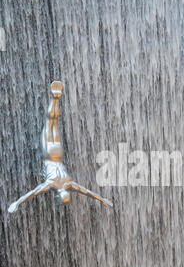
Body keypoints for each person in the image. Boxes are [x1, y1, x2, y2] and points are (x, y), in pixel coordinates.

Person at [8, 81, 112, 213]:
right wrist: (17, 203)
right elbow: (33, 193)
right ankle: (54, 98)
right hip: (49, 154)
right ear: (58, 195)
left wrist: (103, 199)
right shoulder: (51, 184)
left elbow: (87, 192)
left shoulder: (70, 184)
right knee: (49, 122)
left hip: (58, 153)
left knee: (54, 122)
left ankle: (56, 99)